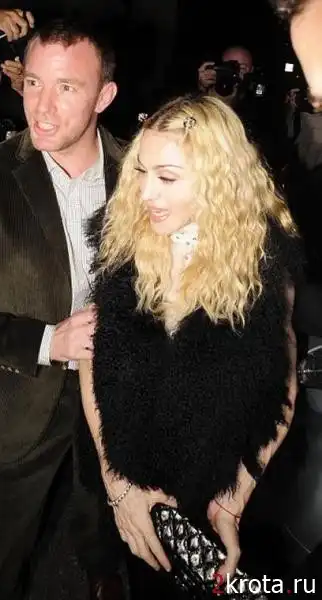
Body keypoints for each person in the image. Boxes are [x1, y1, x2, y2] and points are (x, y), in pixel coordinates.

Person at [0, 19, 120, 600]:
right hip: (16, 403)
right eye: (33, 83)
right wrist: (46, 342)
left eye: (67, 87)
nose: (43, 107)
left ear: (104, 95)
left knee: (109, 540)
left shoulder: (142, 173)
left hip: (117, 401)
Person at [78, 95, 301, 589]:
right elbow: (92, 357)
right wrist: (119, 487)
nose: (144, 192)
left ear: (218, 179)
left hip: (214, 484)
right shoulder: (123, 242)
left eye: (167, 177)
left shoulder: (264, 270)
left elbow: (281, 387)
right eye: (140, 171)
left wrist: (235, 497)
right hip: (126, 471)